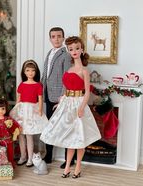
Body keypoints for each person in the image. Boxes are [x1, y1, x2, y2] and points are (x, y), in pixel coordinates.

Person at [40, 36, 101, 178]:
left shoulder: (84, 70)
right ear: (68, 51)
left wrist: (81, 107)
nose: (74, 51)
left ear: (82, 49)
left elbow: (86, 93)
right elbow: (66, 90)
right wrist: (60, 102)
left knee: (79, 137)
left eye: (77, 48)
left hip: (79, 103)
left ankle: (77, 166)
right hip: (68, 103)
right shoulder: (69, 69)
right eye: (71, 49)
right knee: (70, 138)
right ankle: (67, 166)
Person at [41, 27, 73, 168]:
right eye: (53, 37)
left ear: (63, 38)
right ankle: (48, 155)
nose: (56, 39)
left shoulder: (65, 55)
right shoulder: (49, 53)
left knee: (64, 126)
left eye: (59, 36)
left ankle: (69, 159)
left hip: (59, 97)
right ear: (50, 39)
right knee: (50, 127)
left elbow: (66, 77)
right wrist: (41, 94)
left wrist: (63, 97)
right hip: (48, 94)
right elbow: (45, 75)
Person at [10, 60, 48, 167]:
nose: (30, 73)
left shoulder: (38, 85)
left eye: (33, 70)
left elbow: (40, 99)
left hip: (32, 111)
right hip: (22, 111)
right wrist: (16, 110)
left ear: (36, 72)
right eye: (28, 70)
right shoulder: (21, 85)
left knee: (29, 135)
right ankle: (23, 156)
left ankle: (30, 158)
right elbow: (19, 99)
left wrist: (40, 110)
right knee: (21, 135)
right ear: (24, 72)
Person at [0, 98, 21, 167]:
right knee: (0, 155)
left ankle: (10, 166)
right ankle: (2, 167)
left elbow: (15, 126)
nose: (1, 111)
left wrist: (15, 128)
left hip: (8, 140)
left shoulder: (8, 119)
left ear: (6, 109)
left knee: (10, 153)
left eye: (3, 109)